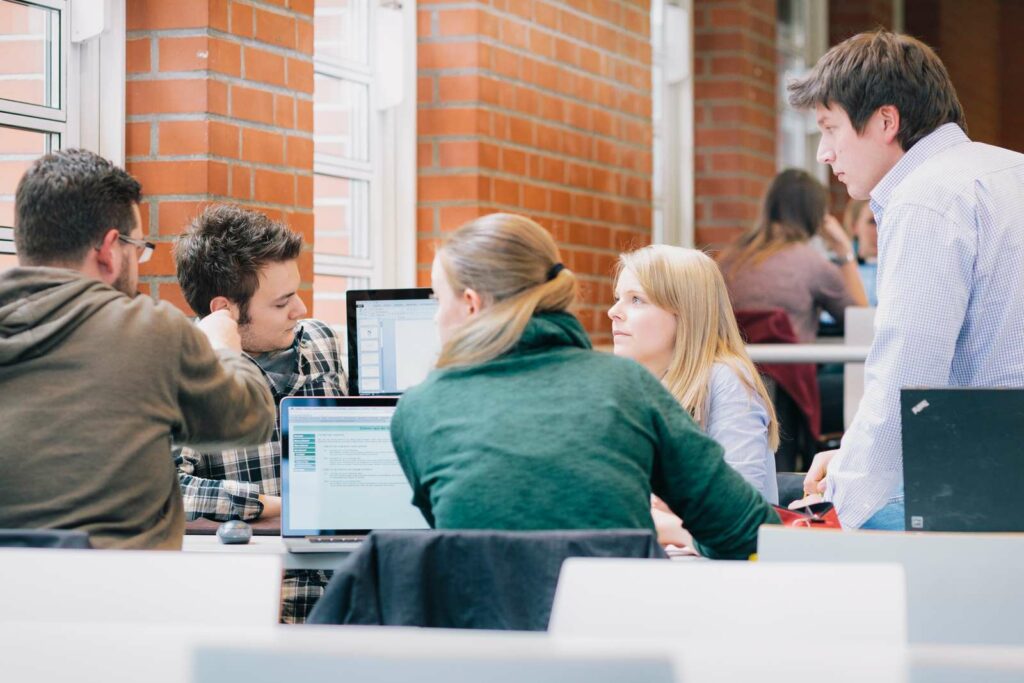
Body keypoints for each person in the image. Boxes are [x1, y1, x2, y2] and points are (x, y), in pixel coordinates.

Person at [389, 213, 778, 560]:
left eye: (439, 300)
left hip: (481, 633)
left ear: (471, 304)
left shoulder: (417, 409)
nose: (437, 317)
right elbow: (750, 534)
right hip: (612, 630)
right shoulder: (627, 387)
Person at [789, 30, 1024, 529]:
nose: (823, 154)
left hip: (991, 487)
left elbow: (907, 374)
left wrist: (838, 509)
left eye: (830, 130)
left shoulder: (924, 199)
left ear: (886, 121)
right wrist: (852, 456)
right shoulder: (1010, 171)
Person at [0, 149, 275, 549]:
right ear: (110, 250)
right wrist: (221, 346)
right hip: (124, 597)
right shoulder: (150, 331)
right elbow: (251, 419)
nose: (139, 261)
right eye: (139, 248)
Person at [173, 204, 347, 621]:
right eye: (282, 302)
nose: (301, 310)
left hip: (345, 591)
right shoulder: (181, 370)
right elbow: (167, 490)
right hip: (259, 602)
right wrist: (275, 505)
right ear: (226, 310)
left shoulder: (321, 341)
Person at [609, 245, 779, 506]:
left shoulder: (726, 379)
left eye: (636, 300)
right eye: (618, 298)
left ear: (685, 312)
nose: (614, 312)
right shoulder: (633, 386)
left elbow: (741, 510)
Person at [719, 168, 868, 342]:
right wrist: (844, 250)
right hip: (787, 367)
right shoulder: (813, 265)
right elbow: (861, 321)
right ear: (818, 216)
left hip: (735, 368)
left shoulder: (727, 260)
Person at [843, 199, 878, 306]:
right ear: (854, 227)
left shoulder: (906, 268)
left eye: (887, 220)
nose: (880, 229)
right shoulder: (839, 267)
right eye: (873, 222)